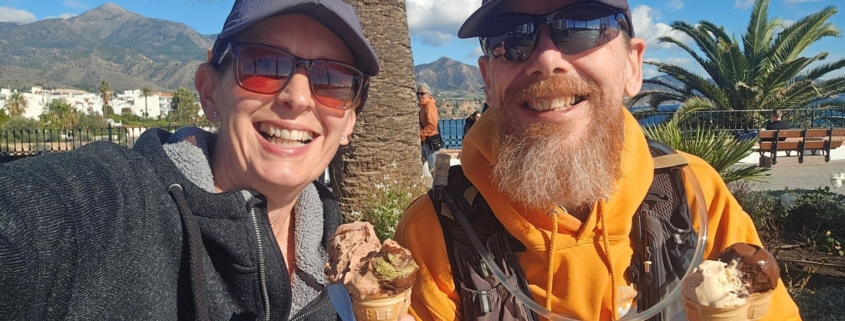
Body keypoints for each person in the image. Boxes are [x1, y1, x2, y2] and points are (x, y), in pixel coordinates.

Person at [394, 0, 801, 320]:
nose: (546, 58)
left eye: (581, 25)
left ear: (632, 66)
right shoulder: (438, 230)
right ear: (487, 80)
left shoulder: (694, 194)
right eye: (511, 37)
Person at [0, 0, 392, 320]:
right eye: (263, 65)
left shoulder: (348, 261)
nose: (299, 97)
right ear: (209, 92)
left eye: (333, 79)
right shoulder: (120, 206)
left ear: (348, 124)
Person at [418, 84, 440, 174]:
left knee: (434, 170)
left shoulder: (429, 105)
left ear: (428, 95)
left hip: (430, 142)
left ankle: (438, 187)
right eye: (417, 93)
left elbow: (432, 125)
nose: (419, 96)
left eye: (422, 93)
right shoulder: (423, 106)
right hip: (426, 142)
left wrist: (421, 134)